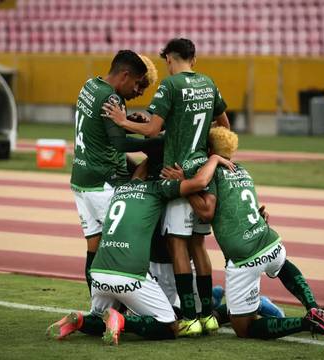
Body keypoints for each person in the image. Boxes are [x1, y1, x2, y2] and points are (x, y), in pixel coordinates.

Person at [161, 127, 324, 342]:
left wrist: (183, 184)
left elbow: (206, 212)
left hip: (245, 257)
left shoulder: (211, 172)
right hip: (269, 240)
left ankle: (306, 322)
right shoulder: (242, 170)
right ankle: (313, 308)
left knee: (244, 328)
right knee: (282, 262)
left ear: (210, 150)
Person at [102, 38, 229, 335]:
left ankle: (189, 317)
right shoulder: (210, 84)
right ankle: (208, 314)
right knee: (199, 245)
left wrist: (122, 120)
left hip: (176, 173)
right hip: (203, 169)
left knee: (178, 244)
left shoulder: (170, 86)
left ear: (169, 60)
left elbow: (151, 130)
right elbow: (224, 124)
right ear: (193, 59)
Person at [47, 153, 236, 345]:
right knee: (170, 325)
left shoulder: (124, 188)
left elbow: (140, 171)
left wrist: (153, 156)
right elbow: (200, 183)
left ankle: (80, 320)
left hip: (98, 273)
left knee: (98, 319)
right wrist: (214, 159)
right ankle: (122, 321)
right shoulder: (158, 189)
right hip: (130, 275)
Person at [71, 51, 162, 295]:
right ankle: (145, 302)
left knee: (94, 246)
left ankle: (97, 308)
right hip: (104, 182)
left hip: (81, 180)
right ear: (125, 75)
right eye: (137, 84)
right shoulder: (112, 98)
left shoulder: (90, 85)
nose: (138, 91)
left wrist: (126, 121)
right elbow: (120, 145)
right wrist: (153, 142)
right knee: (125, 243)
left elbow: (100, 129)